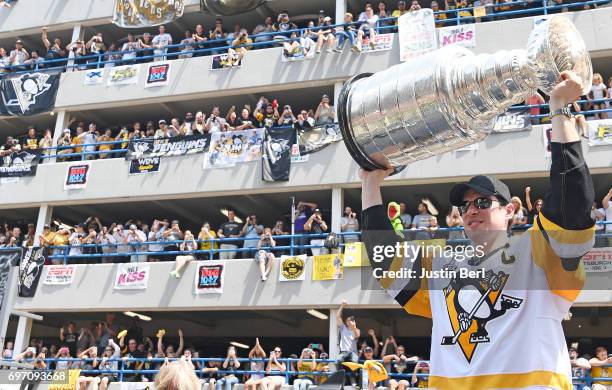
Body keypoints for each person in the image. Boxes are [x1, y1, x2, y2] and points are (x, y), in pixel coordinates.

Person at [360, 71, 595, 389]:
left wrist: (559, 108)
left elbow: (572, 201)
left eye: (483, 202)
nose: (471, 211)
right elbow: (384, 259)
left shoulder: (537, 251)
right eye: (465, 206)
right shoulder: (441, 265)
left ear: (510, 210)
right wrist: (370, 184)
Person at [336, 299, 360, 387]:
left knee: (355, 362)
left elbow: (357, 336)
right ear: (346, 322)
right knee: (337, 361)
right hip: (343, 352)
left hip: (353, 352)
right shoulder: (343, 328)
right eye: (348, 321)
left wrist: (354, 327)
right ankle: (342, 378)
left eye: (351, 321)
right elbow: (338, 316)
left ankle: (352, 378)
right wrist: (342, 305)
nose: (349, 322)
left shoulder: (356, 329)